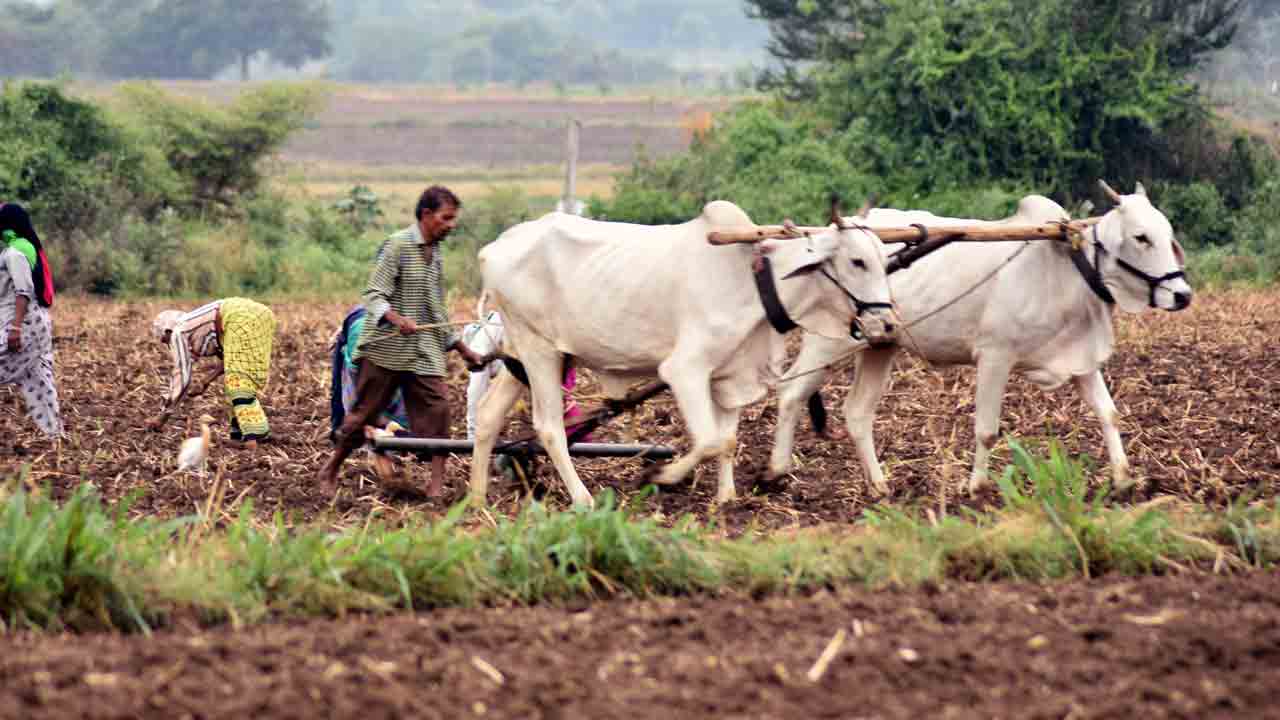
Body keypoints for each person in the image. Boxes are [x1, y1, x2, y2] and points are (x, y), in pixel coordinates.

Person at [317, 185, 485, 497]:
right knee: (363, 414)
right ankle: (331, 469)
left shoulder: (435, 253)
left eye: (453, 219)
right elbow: (373, 295)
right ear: (426, 215)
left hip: (423, 352)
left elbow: (435, 306)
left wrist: (462, 349)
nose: (451, 225)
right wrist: (396, 318)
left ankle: (435, 487)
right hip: (386, 347)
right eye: (446, 218)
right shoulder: (397, 246)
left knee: (440, 410)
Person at [147, 298, 276, 448]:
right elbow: (229, 360)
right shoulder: (198, 327)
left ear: (168, 330)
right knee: (236, 379)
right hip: (264, 314)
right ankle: (241, 434)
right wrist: (205, 382)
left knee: (237, 382)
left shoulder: (178, 332)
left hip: (240, 316)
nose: (168, 345)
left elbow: (182, 375)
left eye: (165, 340)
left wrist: (162, 418)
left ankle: (252, 438)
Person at [0, 203, 61, 437]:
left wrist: (15, 328)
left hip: (24, 324)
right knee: (38, 380)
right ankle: (54, 436)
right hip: (36, 323)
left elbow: (23, 291)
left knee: (38, 377)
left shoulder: (15, 253)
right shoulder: (21, 248)